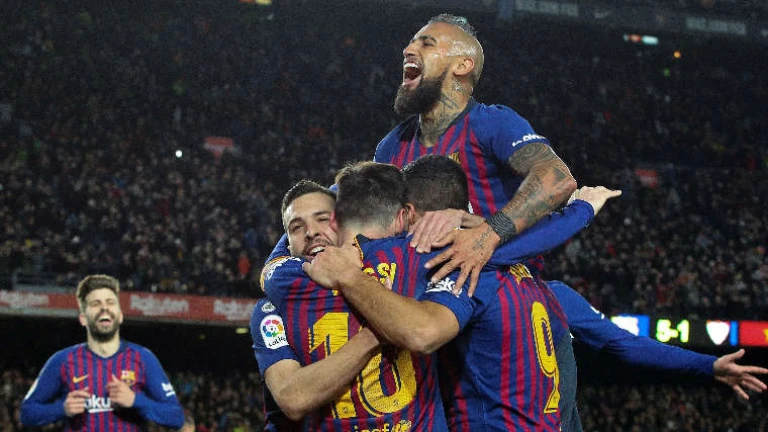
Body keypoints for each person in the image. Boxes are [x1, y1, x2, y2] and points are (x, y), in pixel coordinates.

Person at [300, 159, 620, 430]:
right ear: (404, 215)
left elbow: (291, 398)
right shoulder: (430, 254)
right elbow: (520, 243)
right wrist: (582, 209)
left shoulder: (300, 271)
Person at [375, 13, 577, 293]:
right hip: (421, 294)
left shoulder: (492, 123)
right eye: (411, 42)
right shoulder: (392, 145)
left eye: (427, 43)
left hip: (500, 291)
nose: (408, 50)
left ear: (462, 65)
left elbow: (557, 178)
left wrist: (487, 235)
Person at [20, 274, 185, 431]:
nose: (104, 308)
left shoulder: (143, 358)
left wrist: (135, 400)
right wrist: (61, 409)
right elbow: (27, 412)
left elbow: (176, 417)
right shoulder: (62, 360)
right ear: (83, 318)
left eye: (110, 302)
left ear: (120, 316)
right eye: (95, 304)